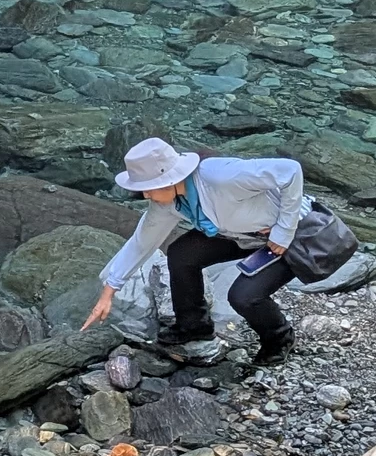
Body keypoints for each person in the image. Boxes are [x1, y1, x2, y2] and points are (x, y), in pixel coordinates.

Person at [81, 137, 305, 362]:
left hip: (294, 235)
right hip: (242, 236)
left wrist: (284, 230)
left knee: (242, 296)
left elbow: (291, 170)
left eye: (147, 188)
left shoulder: (219, 176)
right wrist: (108, 293)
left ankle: (280, 338)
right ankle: (193, 326)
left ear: (169, 179)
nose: (145, 196)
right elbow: (141, 243)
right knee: (181, 254)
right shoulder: (167, 203)